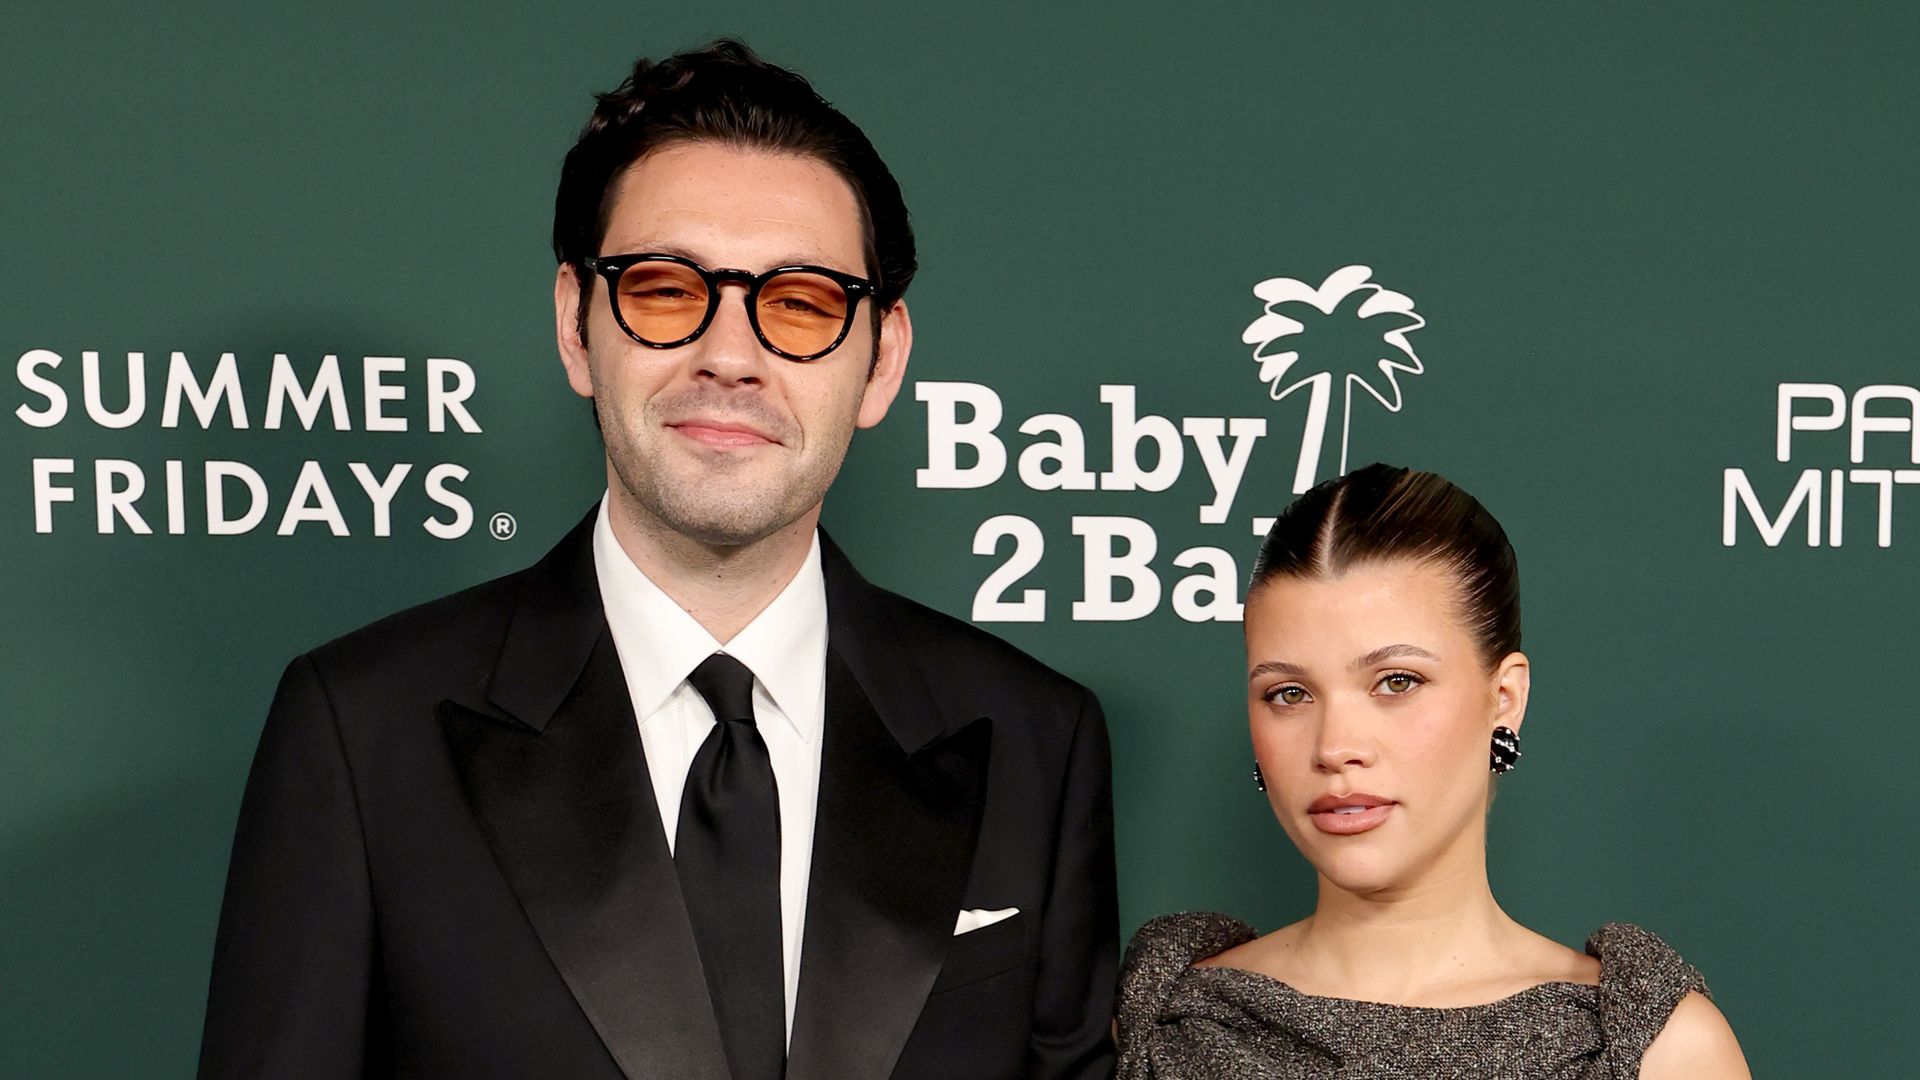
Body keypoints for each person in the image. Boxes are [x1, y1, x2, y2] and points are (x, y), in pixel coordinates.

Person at [198, 40, 1117, 1080]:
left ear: (883, 360)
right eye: (667, 290)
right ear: (576, 328)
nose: (730, 355)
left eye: (802, 302)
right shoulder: (363, 732)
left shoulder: (1036, 739)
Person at [1114, 463, 1748, 1078]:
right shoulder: (1161, 1020)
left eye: (1397, 682)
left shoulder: (1653, 1050)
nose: (1335, 747)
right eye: (1289, 693)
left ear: (1505, 698)